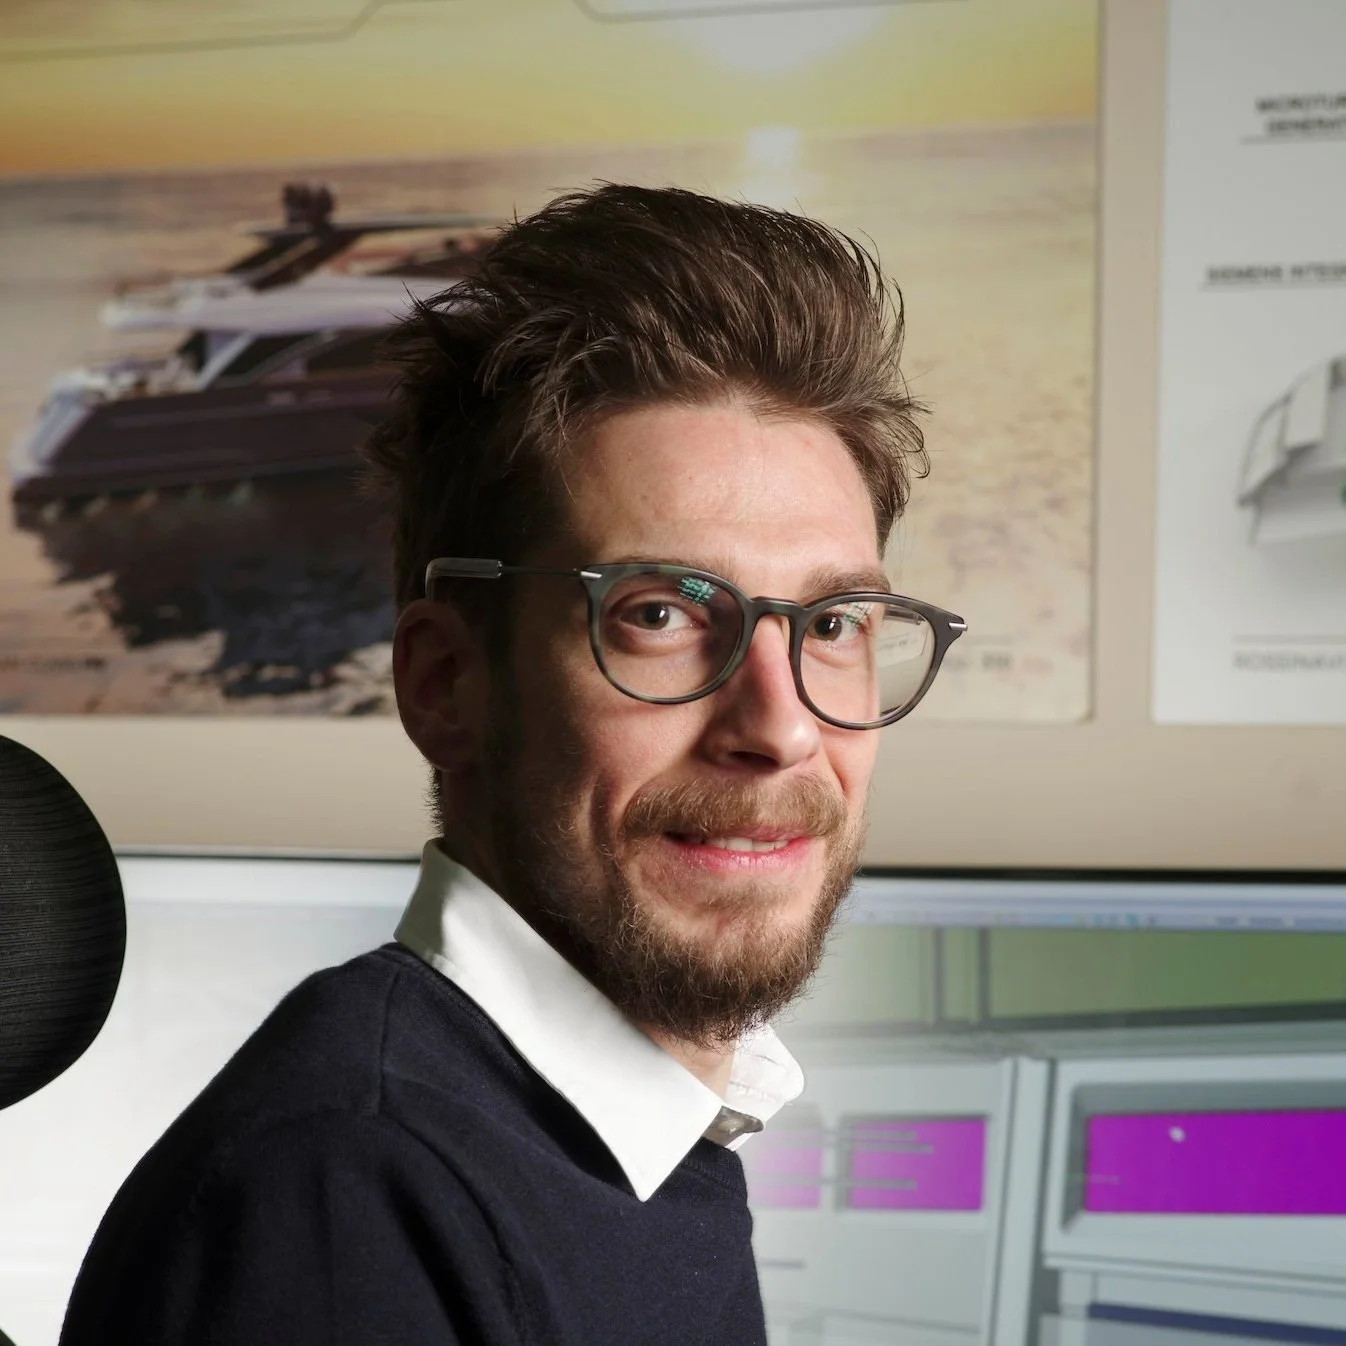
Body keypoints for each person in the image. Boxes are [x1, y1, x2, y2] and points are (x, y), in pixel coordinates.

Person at [59, 184, 964, 1345]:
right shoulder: (346, 1207)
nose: (779, 726)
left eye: (833, 623)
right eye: (659, 612)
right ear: (447, 684)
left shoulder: (637, 1135)